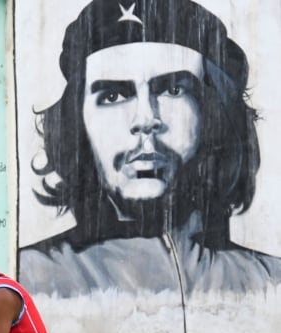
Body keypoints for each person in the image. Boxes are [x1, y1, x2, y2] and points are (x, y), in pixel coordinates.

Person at [18, 0, 281, 297]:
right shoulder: (27, 280)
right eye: (114, 95)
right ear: (76, 123)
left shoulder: (270, 282)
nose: (145, 119)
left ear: (215, 113)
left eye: (173, 90)